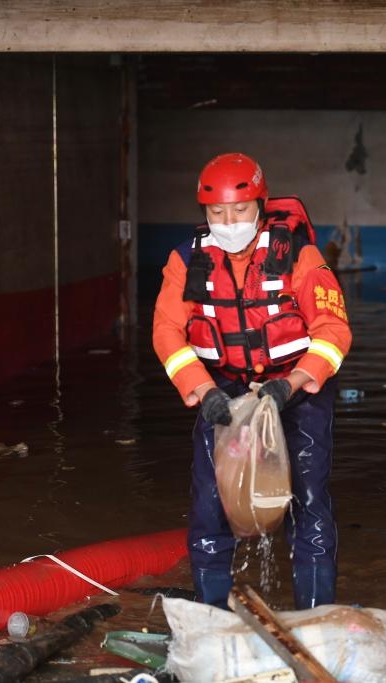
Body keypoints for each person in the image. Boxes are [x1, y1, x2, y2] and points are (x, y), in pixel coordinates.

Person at [152, 152, 352, 610]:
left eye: (239, 211)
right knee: (209, 502)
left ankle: (316, 613)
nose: (229, 221)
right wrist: (204, 392)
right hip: (222, 392)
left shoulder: (298, 255)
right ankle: (211, 615)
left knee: (307, 498)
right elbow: (166, 332)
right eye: (217, 212)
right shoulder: (187, 260)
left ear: (260, 206)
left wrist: (294, 382)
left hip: (295, 390)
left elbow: (334, 330)